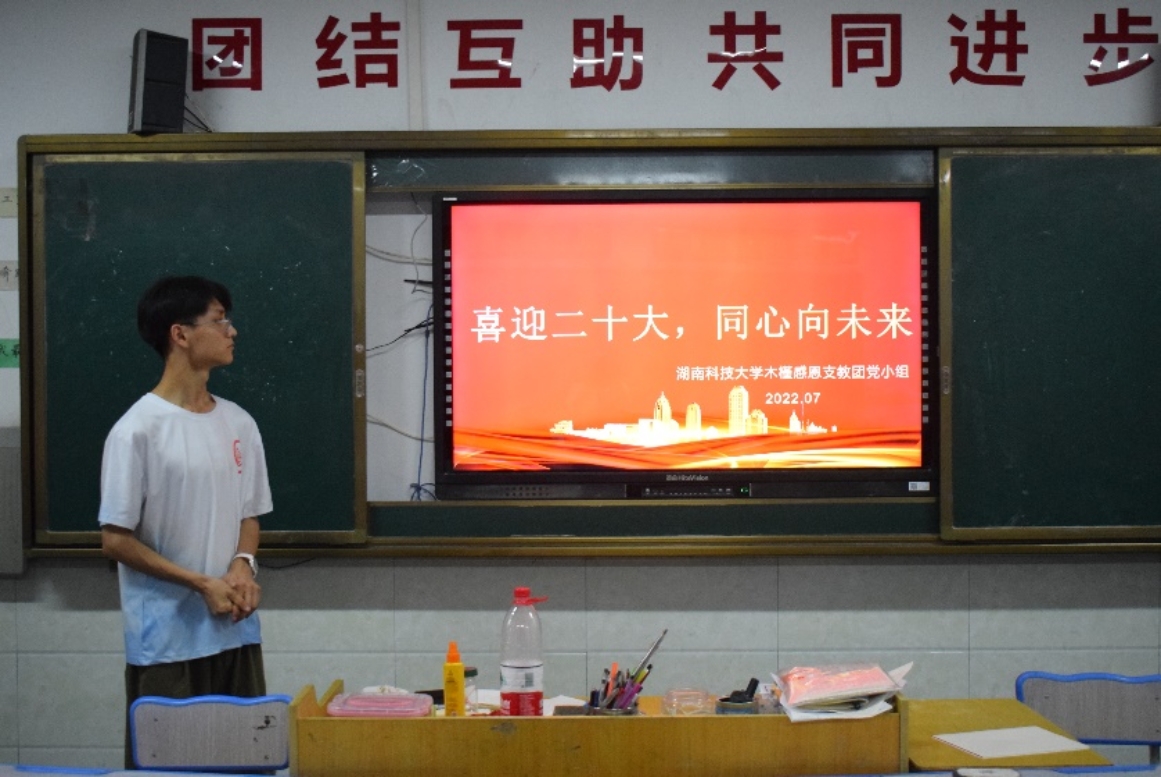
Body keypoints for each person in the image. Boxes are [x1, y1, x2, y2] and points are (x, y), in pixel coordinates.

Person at [98, 275, 273, 768]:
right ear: (180, 334)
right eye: (219, 321)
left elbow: (249, 514)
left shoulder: (239, 422)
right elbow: (115, 540)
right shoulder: (137, 430)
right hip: (167, 646)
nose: (232, 331)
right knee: (170, 770)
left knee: (243, 764)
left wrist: (242, 566)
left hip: (235, 633)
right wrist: (200, 583)